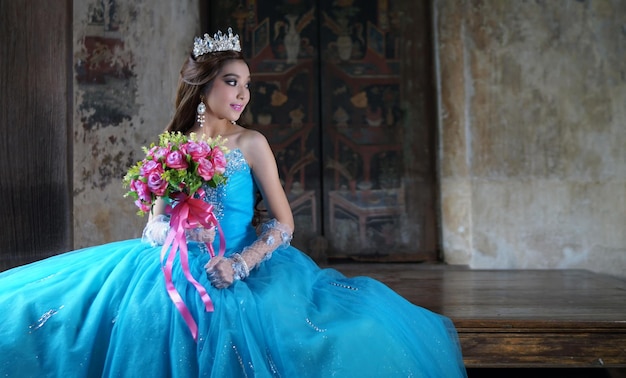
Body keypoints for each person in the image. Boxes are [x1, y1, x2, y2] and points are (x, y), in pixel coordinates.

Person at [0, 28, 467, 377]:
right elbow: (153, 224)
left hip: (245, 266)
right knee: (84, 311)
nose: (242, 94)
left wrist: (242, 263)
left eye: (247, 85)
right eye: (231, 82)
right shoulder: (174, 144)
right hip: (176, 263)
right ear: (205, 87)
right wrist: (180, 232)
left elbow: (285, 224)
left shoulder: (252, 144)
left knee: (348, 329)